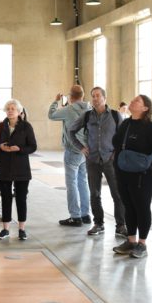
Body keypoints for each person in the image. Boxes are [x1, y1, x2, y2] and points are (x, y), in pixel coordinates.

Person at [111, 95, 152, 259]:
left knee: (141, 206)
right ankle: (131, 241)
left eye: (137, 101)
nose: (132, 101)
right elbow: (115, 141)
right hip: (124, 172)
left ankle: (142, 244)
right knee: (128, 206)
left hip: (145, 174)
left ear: (145, 108)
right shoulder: (126, 123)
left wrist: (146, 158)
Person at [76, 87, 127, 238]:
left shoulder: (115, 116)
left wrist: (116, 154)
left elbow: (123, 137)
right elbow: (71, 131)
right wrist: (81, 147)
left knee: (117, 194)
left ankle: (121, 225)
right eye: (93, 96)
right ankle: (98, 223)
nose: (95, 98)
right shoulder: (86, 116)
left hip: (110, 161)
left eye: (98, 96)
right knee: (94, 193)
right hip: (92, 160)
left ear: (104, 98)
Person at [0, 98, 38, 240]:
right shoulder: (0, 127)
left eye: (13, 109)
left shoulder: (26, 127)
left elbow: (33, 146)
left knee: (21, 199)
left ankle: (22, 229)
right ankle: (5, 229)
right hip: (4, 168)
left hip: (21, 169)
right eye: (8, 109)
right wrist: (0, 146)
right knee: (5, 199)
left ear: (19, 112)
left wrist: (20, 149)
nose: (10, 111)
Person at [49, 85, 92, 228]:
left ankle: (75, 216)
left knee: (71, 183)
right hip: (86, 151)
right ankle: (86, 214)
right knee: (83, 182)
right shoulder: (89, 109)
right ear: (83, 95)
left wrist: (56, 101)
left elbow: (52, 115)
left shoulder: (68, 110)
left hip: (73, 151)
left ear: (70, 96)